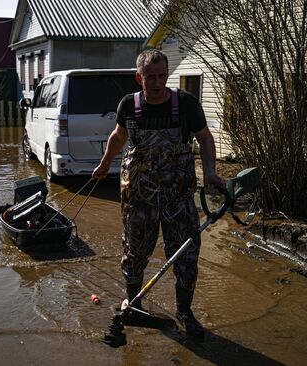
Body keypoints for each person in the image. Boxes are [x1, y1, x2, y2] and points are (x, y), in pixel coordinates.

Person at [92, 48, 226, 338]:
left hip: (178, 198)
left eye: (162, 75)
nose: (157, 82)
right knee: (134, 253)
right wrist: (104, 165)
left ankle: (184, 312)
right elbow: (118, 137)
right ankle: (135, 304)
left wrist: (212, 173)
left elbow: (204, 137)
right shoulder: (129, 105)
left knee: (186, 255)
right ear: (139, 77)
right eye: (150, 77)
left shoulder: (186, 104)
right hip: (138, 197)